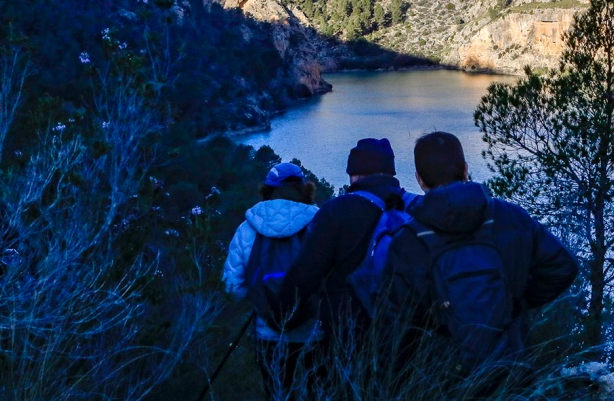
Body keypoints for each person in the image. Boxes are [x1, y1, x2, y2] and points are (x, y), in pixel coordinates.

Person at [383, 131, 578, 374]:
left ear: (419, 180)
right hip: (513, 369)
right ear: (465, 170)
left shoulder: (407, 241)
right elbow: (563, 267)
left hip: (442, 379)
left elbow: (396, 324)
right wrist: (513, 300)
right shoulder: (510, 217)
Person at [265, 138, 409, 349]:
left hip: (349, 334)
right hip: (407, 332)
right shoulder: (413, 206)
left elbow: (306, 273)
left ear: (355, 174)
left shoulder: (337, 210)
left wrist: (280, 315)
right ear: (390, 172)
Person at [222, 162, 320, 398]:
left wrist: (262, 298)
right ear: (305, 189)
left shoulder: (247, 229)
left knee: (278, 393)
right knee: (316, 392)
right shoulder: (320, 224)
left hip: (268, 331)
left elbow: (232, 287)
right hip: (312, 330)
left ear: (267, 190)